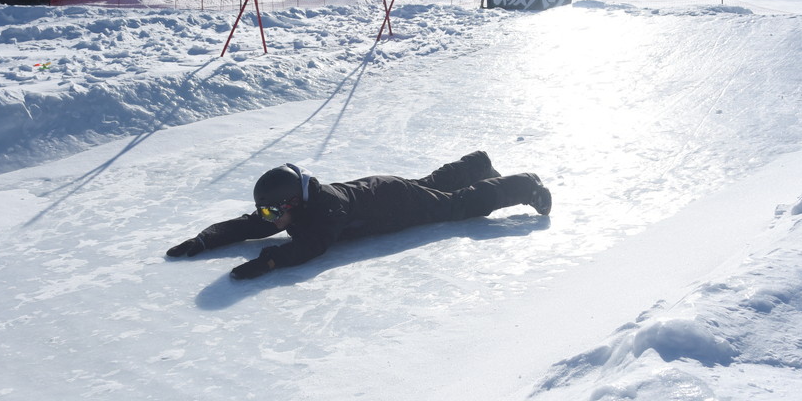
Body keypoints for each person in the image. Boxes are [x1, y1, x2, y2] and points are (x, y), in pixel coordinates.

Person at [166, 151, 552, 279]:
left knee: (457, 206)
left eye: (271, 210)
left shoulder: (325, 211)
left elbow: (312, 247)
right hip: (381, 188)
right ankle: (477, 162)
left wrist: (267, 262)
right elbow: (249, 224)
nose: (266, 218)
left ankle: (525, 185)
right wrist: (206, 238)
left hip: (394, 205)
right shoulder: (298, 204)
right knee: (433, 184)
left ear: (292, 204)